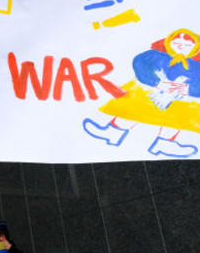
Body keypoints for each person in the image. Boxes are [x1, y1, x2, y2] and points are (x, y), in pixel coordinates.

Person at [83, 28, 200, 158]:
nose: (181, 46)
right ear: (169, 43)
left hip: (179, 98)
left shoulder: (196, 65)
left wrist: (187, 89)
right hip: (149, 91)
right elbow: (140, 63)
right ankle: (113, 132)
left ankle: (165, 142)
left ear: (196, 47)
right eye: (176, 43)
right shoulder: (156, 55)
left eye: (187, 44)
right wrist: (157, 82)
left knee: (177, 118)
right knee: (133, 110)